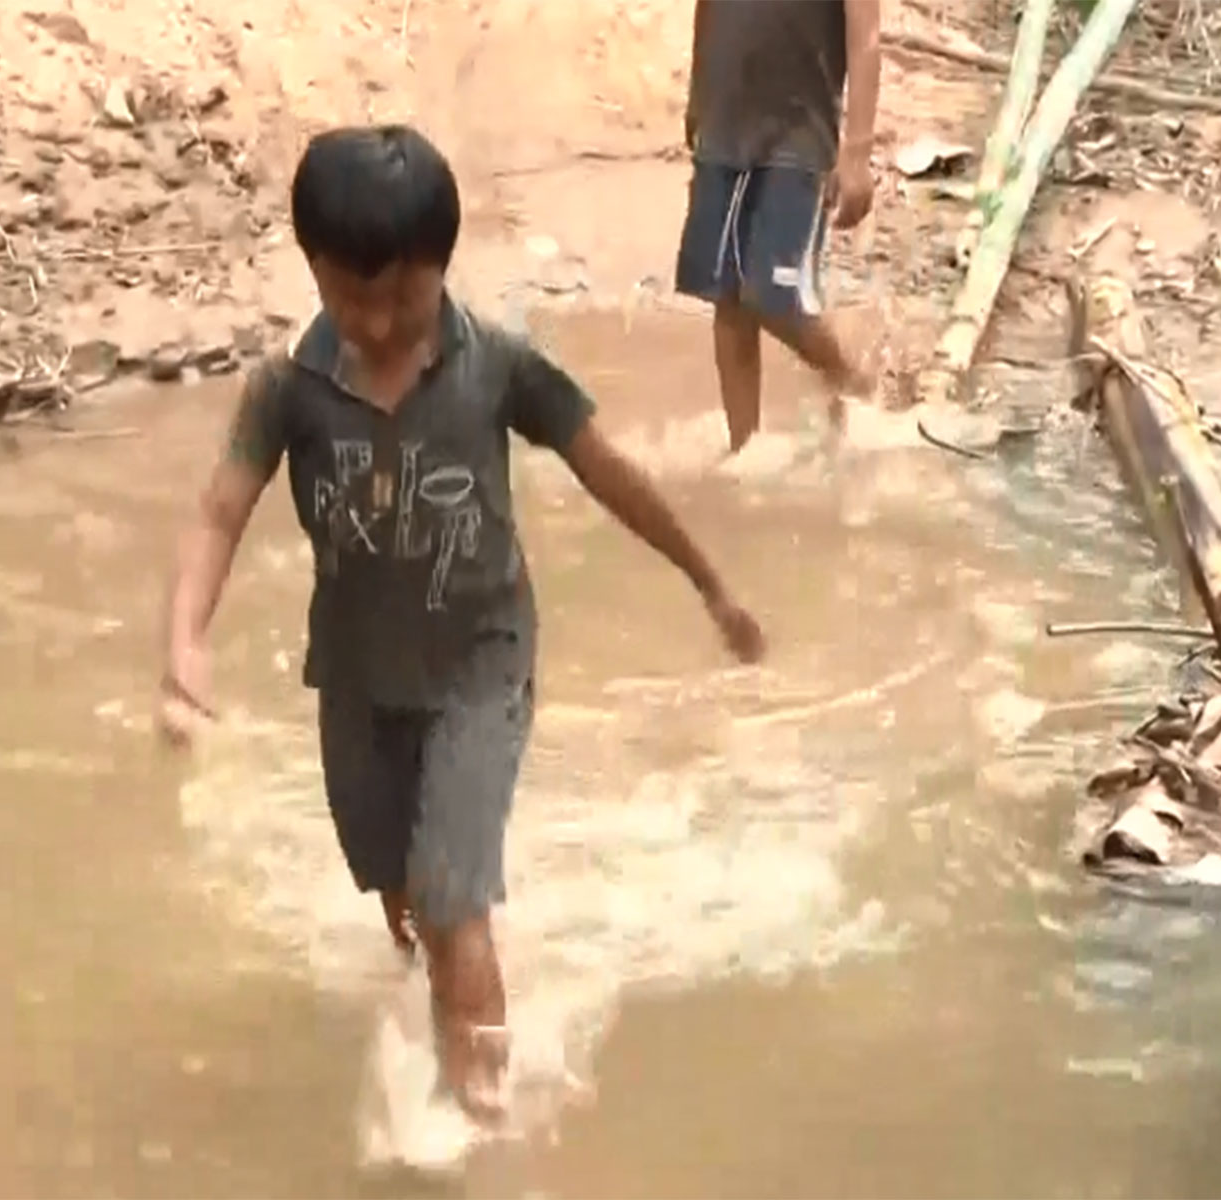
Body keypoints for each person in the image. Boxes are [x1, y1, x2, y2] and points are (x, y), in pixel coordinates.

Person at [156, 125, 765, 1122]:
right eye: (350, 297)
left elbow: (607, 470)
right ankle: (444, 976)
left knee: (447, 895)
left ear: (443, 266)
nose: (380, 321)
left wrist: (707, 582)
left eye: (402, 295)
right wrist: (185, 647)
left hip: (483, 664)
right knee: (398, 889)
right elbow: (221, 511)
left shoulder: (498, 368)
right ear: (310, 268)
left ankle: (480, 1119)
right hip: (356, 680)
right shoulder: (287, 391)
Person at [677, 0, 884, 454]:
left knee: (776, 301)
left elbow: (866, 32)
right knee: (726, 296)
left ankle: (857, 386)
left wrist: (858, 152)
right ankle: (743, 452)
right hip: (727, 118)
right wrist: (697, 94)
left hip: (800, 134)